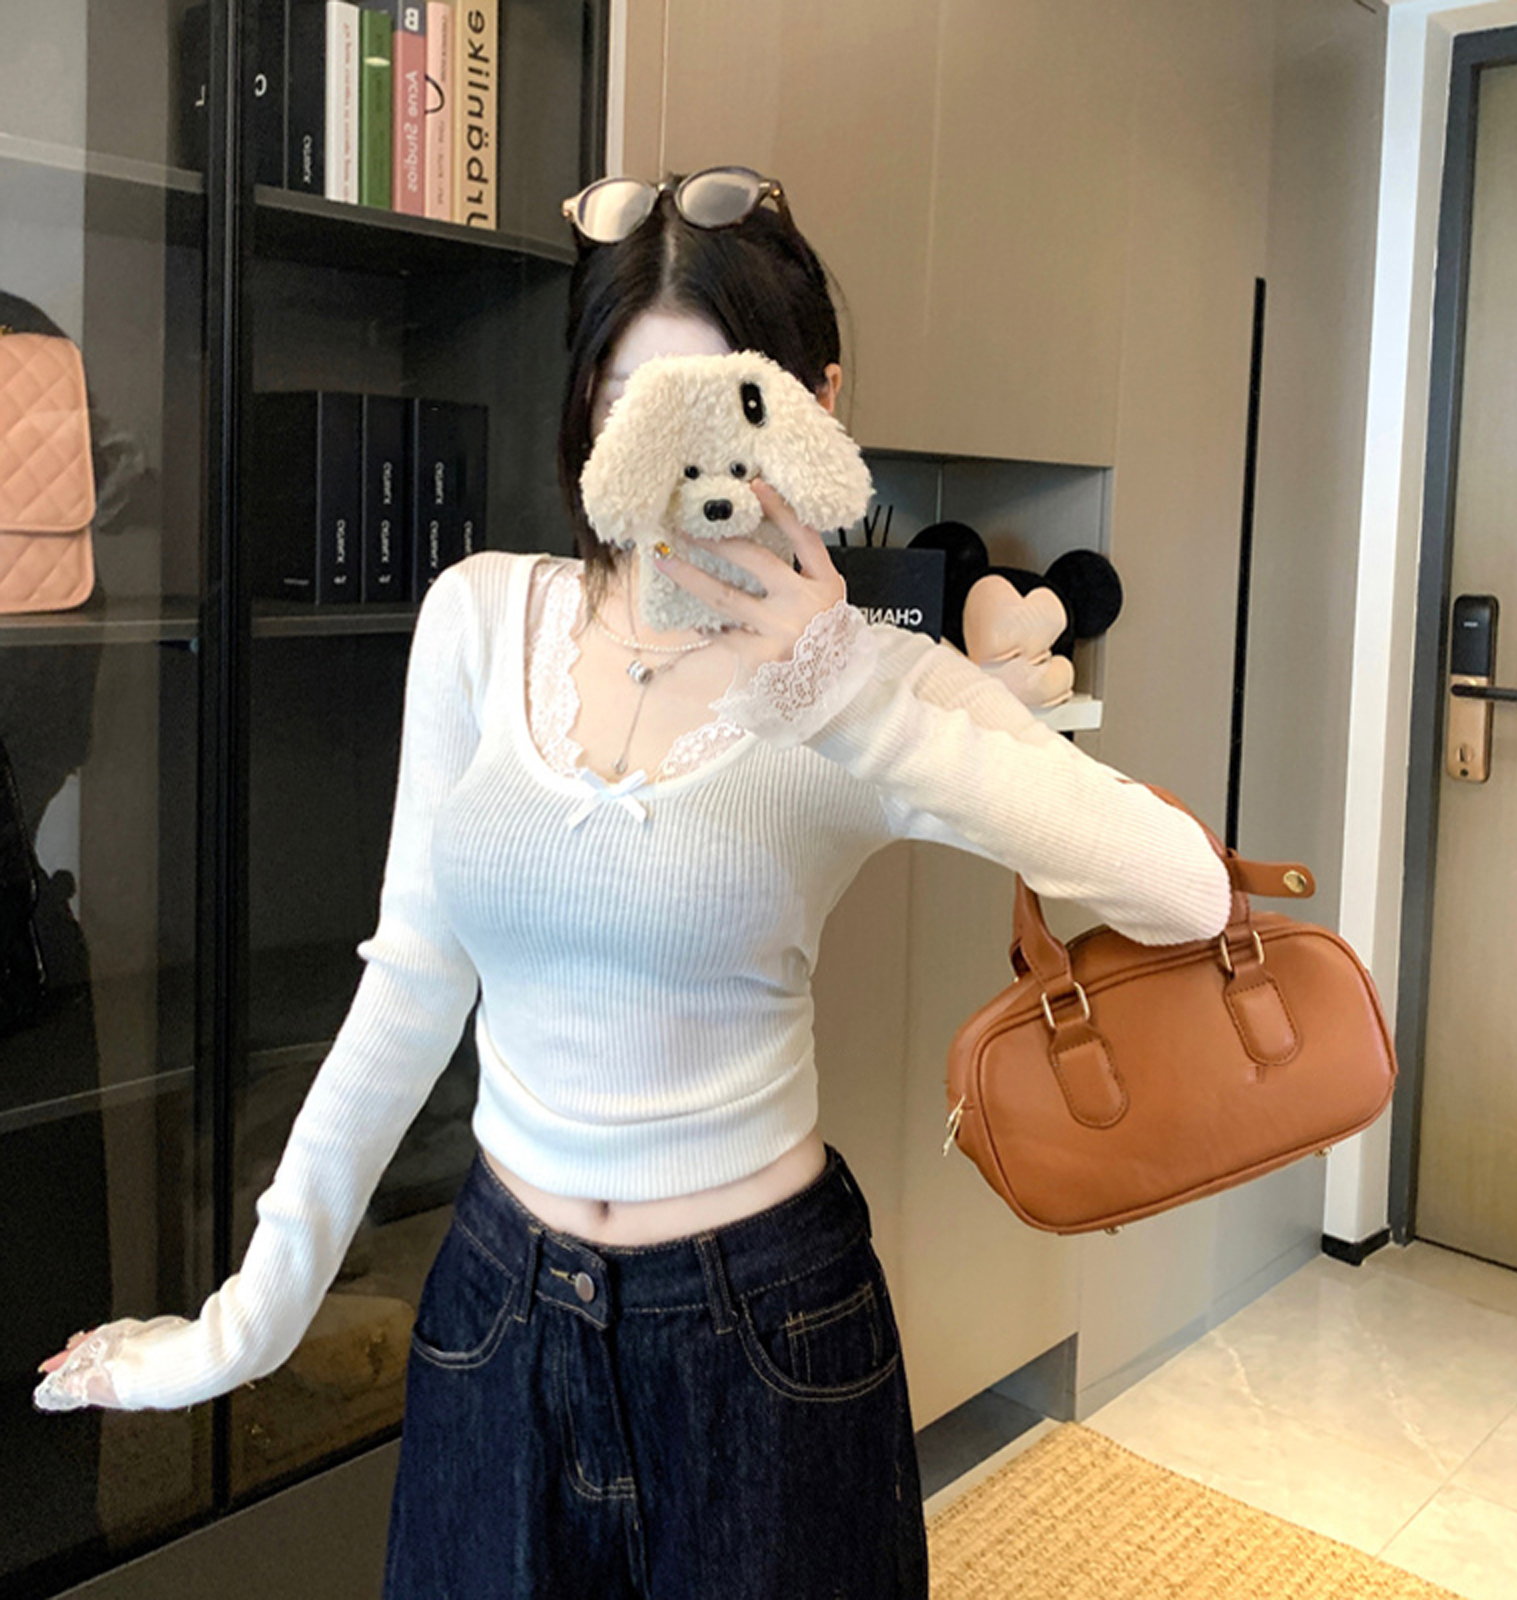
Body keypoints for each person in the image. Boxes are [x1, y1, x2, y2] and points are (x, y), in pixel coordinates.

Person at [33, 166, 1234, 1597]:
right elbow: (412, 985)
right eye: (625, 404)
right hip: (495, 1315)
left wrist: (853, 700)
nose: (673, 467)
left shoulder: (873, 687)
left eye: (721, 408)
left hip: (765, 1336)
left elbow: (1186, 893)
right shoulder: (483, 618)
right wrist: (250, 1320)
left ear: (815, 405)